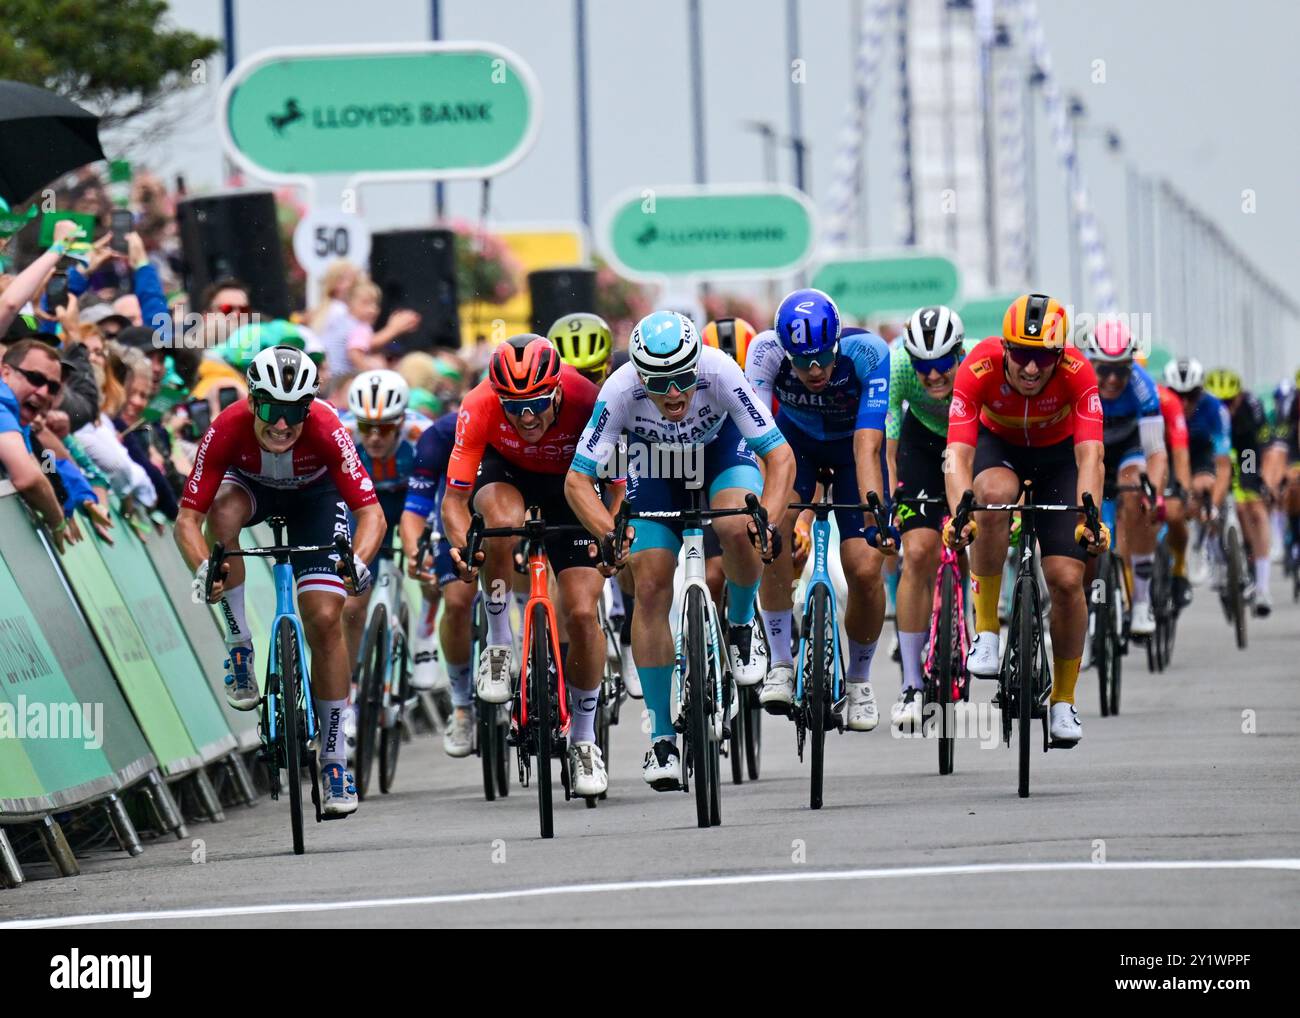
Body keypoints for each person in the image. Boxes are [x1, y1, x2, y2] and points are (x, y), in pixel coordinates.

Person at [565, 311, 794, 791]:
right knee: (648, 584)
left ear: (697, 365)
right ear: (639, 374)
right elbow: (578, 480)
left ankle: (739, 623)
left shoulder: (719, 370)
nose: (673, 393)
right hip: (655, 461)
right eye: (659, 382)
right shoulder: (619, 389)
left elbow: (779, 455)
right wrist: (609, 533)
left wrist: (767, 521)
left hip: (720, 450)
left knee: (736, 524)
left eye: (682, 379)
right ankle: (662, 737)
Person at [174, 345, 387, 817]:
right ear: (252, 401)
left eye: (294, 412)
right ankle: (240, 644)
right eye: (271, 409)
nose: (283, 425)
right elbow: (188, 520)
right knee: (223, 514)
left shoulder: (329, 428)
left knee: (325, 620)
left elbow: (371, 513)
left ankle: (333, 761)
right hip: (254, 491)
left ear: (308, 407)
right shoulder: (226, 426)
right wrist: (202, 568)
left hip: (317, 500)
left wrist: (358, 559)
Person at [441, 336, 610, 797]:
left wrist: (613, 536)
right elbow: (454, 502)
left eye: (537, 402)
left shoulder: (588, 399)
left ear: (557, 390)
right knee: (502, 522)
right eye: (514, 406)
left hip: (571, 486)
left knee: (579, 612)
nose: (528, 416)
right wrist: (463, 545)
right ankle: (498, 643)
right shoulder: (479, 404)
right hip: (507, 475)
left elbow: (616, 485)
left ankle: (584, 740)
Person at [944, 294, 1106, 747]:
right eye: (1021, 355)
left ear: (1059, 355)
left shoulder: (1079, 372)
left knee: (1067, 580)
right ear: (1005, 349)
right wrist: (961, 511)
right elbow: (957, 453)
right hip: (1002, 451)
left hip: (1059, 461)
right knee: (991, 497)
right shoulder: (977, 366)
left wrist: (1089, 514)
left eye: (1043, 358)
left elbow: (1090, 453)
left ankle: (1064, 701)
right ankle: (988, 633)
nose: (1031, 369)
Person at [745, 290, 893, 732]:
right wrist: (763, 512)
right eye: (802, 360)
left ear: (837, 345)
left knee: (865, 568)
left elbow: (869, 446)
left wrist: (875, 518)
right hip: (794, 448)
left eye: (822, 359)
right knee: (775, 536)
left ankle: (861, 682)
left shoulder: (868, 353)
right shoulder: (764, 352)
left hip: (852, 451)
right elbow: (759, 440)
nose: (813, 371)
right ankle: (781, 662)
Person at [885, 305, 969, 730]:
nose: (934, 376)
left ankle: (968, 618)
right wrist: (888, 498)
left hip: (968, 441)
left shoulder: (976, 368)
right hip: (919, 445)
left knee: (967, 526)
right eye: (924, 367)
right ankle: (912, 683)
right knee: (918, 553)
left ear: (958, 354)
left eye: (942, 365)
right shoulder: (897, 366)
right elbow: (887, 444)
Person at [338, 370, 432, 676]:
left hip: (411, 500)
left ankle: (426, 629)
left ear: (401, 422)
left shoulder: (421, 432)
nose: (375, 437)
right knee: (352, 605)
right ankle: (350, 686)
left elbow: (441, 490)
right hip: (365, 505)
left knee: (430, 567)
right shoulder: (343, 431)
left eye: (385, 428)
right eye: (367, 427)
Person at [1084, 318, 1167, 636]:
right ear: (1090, 362)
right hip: (1093, 447)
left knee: (1137, 496)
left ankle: (1142, 603)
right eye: (1104, 369)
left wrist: (1155, 494)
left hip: (1130, 449)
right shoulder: (1079, 383)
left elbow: (1156, 451)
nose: (1113, 378)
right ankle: (1089, 605)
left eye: (1122, 369)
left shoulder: (1142, 386)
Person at [400, 404, 468, 756]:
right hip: (456, 523)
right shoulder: (441, 435)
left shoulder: (526, 423)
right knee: (456, 604)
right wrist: (415, 551)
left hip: (510, 517)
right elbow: (415, 509)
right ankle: (461, 706)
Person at [1204, 368, 1285, 615]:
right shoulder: (1205, 409)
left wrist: (1268, 484)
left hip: (1246, 452)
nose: (1225, 408)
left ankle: (1262, 588)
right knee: (1209, 500)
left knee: (1253, 507)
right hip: (1216, 454)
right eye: (1219, 402)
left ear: (1239, 396)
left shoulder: (1252, 407)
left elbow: (1270, 451)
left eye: (1229, 402)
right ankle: (1216, 557)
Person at [0, 340, 84, 552]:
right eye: (36, 378)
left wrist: (65, 505)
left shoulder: (19, 416)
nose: (45, 392)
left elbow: (38, 468)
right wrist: (57, 520)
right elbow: (28, 478)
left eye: (53, 387)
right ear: (6, 372)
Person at [1156, 376, 1194, 607]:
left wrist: (1183, 492)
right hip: (1128, 455)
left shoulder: (1168, 401)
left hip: (1164, 456)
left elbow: (1180, 454)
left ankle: (1179, 567)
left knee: (1173, 512)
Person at [345, 281, 421, 371]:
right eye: (365, 303)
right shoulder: (361, 327)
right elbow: (355, 353)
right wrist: (369, 373)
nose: (372, 309)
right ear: (349, 304)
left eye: (376, 304)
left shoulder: (346, 324)